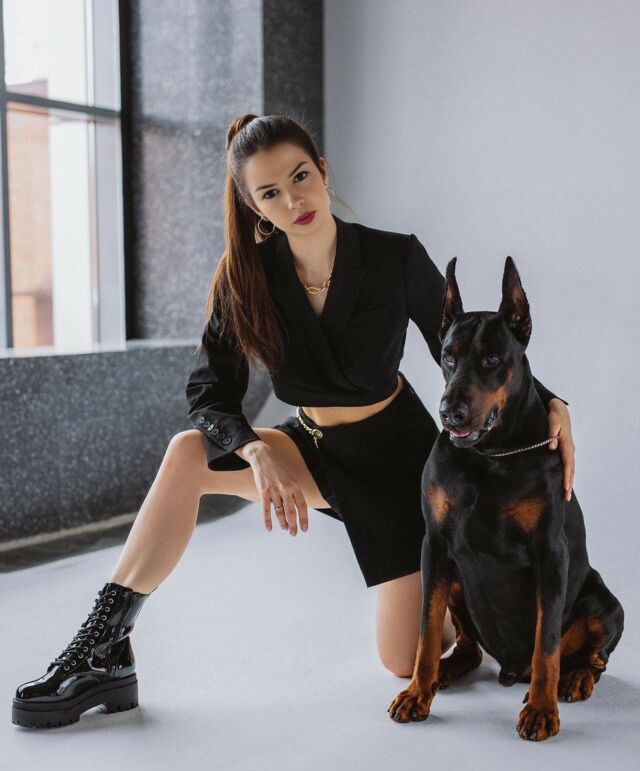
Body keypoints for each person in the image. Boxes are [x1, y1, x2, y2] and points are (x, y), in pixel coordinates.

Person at [12, 114, 576, 728]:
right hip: (312, 448)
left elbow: (471, 350)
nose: (293, 200)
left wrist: (553, 403)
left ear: (323, 172)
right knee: (186, 453)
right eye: (270, 192)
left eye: (300, 177)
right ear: (254, 206)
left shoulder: (394, 256)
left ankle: (472, 600)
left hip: (399, 465)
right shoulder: (246, 276)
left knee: (402, 660)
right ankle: (102, 649)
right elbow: (209, 392)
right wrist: (255, 451)